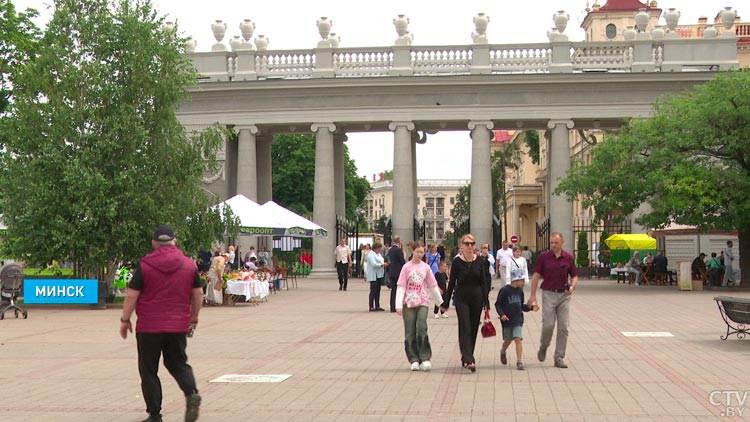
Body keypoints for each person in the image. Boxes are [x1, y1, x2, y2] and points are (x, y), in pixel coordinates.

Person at [119, 225, 202, 422]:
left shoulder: (145, 265)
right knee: (178, 363)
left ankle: (154, 415)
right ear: (175, 240)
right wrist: (194, 317)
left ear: (154, 243)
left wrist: (125, 319)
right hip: (177, 326)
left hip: (149, 327)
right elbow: (198, 293)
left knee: (148, 370)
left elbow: (132, 295)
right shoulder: (189, 265)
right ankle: (191, 393)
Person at [440, 233, 491, 373]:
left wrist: (487, 305)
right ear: (461, 245)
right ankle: (469, 359)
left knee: (474, 327)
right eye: (467, 243)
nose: (470, 246)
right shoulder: (457, 262)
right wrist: (445, 303)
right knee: (465, 326)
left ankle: (467, 356)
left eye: (472, 244)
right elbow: (451, 283)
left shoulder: (480, 261)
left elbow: (484, 283)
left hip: (477, 298)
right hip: (461, 298)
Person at [528, 232, 578, 369]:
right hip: (548, 294)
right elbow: (536, 276)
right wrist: (533, 295)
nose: (554, 245)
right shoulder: (544, 257)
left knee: (563, 327)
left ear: (562, 242)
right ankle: (543, 346)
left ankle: (559, 357)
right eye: (552, 243)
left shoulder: (568, 258)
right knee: (548, 325)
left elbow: (574, 276)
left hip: (564, 296)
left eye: (556, 242)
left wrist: (572, 287)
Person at [395, 242, 443, 371]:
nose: (419, 255)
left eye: (422, 252)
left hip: (422, 301)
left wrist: (440, 302)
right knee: (410, 331)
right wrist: (398, 304)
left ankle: (425, 357)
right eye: (417, 252)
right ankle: (413, 359)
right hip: (408, 302)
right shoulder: (406, 267)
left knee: (421, 327)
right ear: (412, 252)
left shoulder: (426, 268)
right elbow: (401, 286)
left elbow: (432, 285)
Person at [495, 268, 539, 370]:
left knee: (517, 339)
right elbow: (498, 304)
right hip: (507, 320)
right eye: (522, 280)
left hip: (517, 319)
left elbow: (521, 306)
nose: (523, 282)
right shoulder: (505, 290)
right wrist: (502, 314)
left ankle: (519, 361)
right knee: (508, 340)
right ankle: (503, 351)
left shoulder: (520, 291)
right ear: (516, 279)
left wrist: (531, 308)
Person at [387, 236, 407, 312]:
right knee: (398, 290)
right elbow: (402, 261)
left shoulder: (390, 249)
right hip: (398, 272)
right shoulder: (398, 250)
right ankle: (396, 306)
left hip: (392, 271)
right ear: (399, 241)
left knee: (393, 290)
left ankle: (392, 306)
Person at [366, 242, 386, 311]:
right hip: (373, 275)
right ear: (375, 248)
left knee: (378, 290)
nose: (380, 250)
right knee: (373, 290)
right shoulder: (371, 254)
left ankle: (377, 305)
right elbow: (373, 264)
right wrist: (382, 265)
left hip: (379, 275)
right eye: (379, 248)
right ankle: (371, 306)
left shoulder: (378, 254)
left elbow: (382, 260)